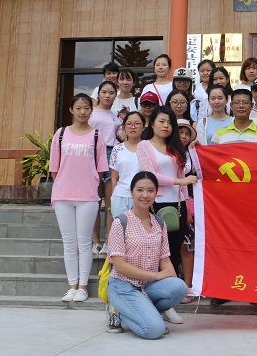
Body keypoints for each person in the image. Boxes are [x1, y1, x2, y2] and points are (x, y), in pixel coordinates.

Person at [106, 171, 189, 339]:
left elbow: (165, 259)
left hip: (148, 285)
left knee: (180, 287)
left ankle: (148, 312)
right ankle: (118, 311)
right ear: (132, 192)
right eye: (140, 190)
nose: (145, 195)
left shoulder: (159, 223)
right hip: (124, 286)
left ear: (156, 193)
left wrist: (172, 277)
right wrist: (156, 275)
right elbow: (120, 266)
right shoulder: (120, 222)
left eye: (150, 190)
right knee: (154, 330)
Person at [136, 106, 198, 325]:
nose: (166, 126)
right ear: (152, 123)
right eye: (161, 121)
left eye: (169, 122)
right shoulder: (144, 146)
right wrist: (180, 182)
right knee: (154, 255)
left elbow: (183, 178)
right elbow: (150, 175)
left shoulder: (175, 148)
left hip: (178, 206)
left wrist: (188, 206)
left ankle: (167, 304)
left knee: (172, 255)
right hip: (155, 205)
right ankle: (149, 300)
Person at [209, 89, 257, 306]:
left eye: (245, 102)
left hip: (254, 199)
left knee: (253, 245)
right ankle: (225, 289)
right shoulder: (219, 135)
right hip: (226, 201)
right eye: (237, 102)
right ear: (231, 106)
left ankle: (255, 288)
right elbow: (211, 167)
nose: (241, 106)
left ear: (252, 106)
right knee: (226, 245)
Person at [49, 93, 108, 303]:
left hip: (88, 196)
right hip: (63, 195)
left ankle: (82, 287)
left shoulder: (96, 135)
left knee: (84, 243)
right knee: (69, 242)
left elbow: (100, 169)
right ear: (71, 110)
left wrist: (92, 188)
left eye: (86, 108)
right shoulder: (61, 134)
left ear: (91, 111)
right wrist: (62, 186)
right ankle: (71, 286)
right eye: (78, 108)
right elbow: (54, 167)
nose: (82, 112)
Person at [88, 81, 123, 259]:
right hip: (92, 154)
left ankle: (108, 241)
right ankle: (95, 242)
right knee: (94, 201)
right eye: (104, 92)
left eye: (111, 92)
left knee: (110, 203)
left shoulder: (116, 117)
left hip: (111, 153)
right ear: (98, 94)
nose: (107, 95)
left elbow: (122, 137)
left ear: (115, 96)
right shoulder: (89, 113)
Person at [175, 118, 199, 303]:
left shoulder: (193, 154)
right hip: (166, 201)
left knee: (187, 246)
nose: (183, 136)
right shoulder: (163, 151)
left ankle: (188, 287)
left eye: (186, 133)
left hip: (189, 203)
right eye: (180, 132)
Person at [109, 111, 145, 219]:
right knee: (121, 227)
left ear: (143, 127)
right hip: (120, 196)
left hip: (142, 197)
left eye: (137, 123)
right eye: (129, 124)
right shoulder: (117, 149)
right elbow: (114, 178)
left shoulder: (148, 148)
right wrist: (113, 198)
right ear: (124, 127)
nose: (133, 127)